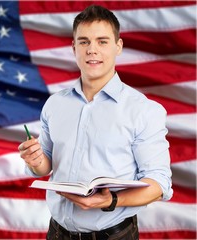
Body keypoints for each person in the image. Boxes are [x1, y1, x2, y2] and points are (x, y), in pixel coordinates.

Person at [18, 5, 173, 240]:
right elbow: (45, 166)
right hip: (57, 232)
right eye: (84, 42)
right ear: (73, 47)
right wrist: (35, 160)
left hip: (114, 235)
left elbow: (159, 183)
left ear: (117, 47)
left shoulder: (143, 110)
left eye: (102, 41)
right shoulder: (55, 104)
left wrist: (111, 200)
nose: (92, 50)